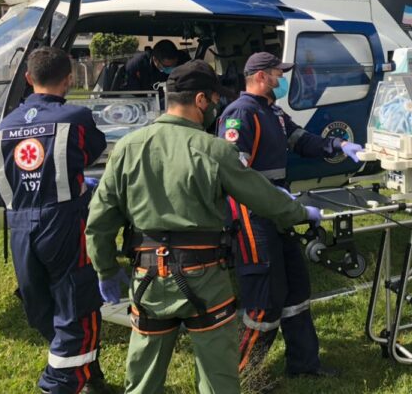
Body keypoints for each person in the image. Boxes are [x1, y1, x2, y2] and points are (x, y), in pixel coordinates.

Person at [84, 60, 321, 394]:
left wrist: (105, 270)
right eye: (212, 99)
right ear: (200, 100)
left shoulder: (127, 148)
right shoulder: (214, 150)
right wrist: (301, 213)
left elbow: (100, 219)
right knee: (218, 377)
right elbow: (263, 198)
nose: (214, 107)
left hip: (148, 279)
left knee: (143, 377)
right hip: (204, 278)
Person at [217, 51, 364, 378]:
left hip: (279, 212)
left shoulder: (272, 112)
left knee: (296, 291)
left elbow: (301, 140)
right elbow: (233, 172)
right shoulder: (240, 114)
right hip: (253, 215)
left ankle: (304, 365)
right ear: (259, 77)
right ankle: (238, 376)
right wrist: (275, 196)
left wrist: (339, 146)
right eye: (276, 74)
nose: (281, 79)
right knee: (264, 301)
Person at [0, 47, 109, 394]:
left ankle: (89, 377)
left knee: (40, 302)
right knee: (77, 305)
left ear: (29, 78)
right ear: (70, 79)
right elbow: (92, 151)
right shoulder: (76, 116)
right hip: (61, 220)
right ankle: (57, 384)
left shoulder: (5, 124)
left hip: (19, 224)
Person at [122, 39, 187, 91]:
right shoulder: (136, 65)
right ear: (155, 60)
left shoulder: (184, 61)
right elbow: (133, 93)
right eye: (166, 67)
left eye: (174, 65)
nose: (171, 69)